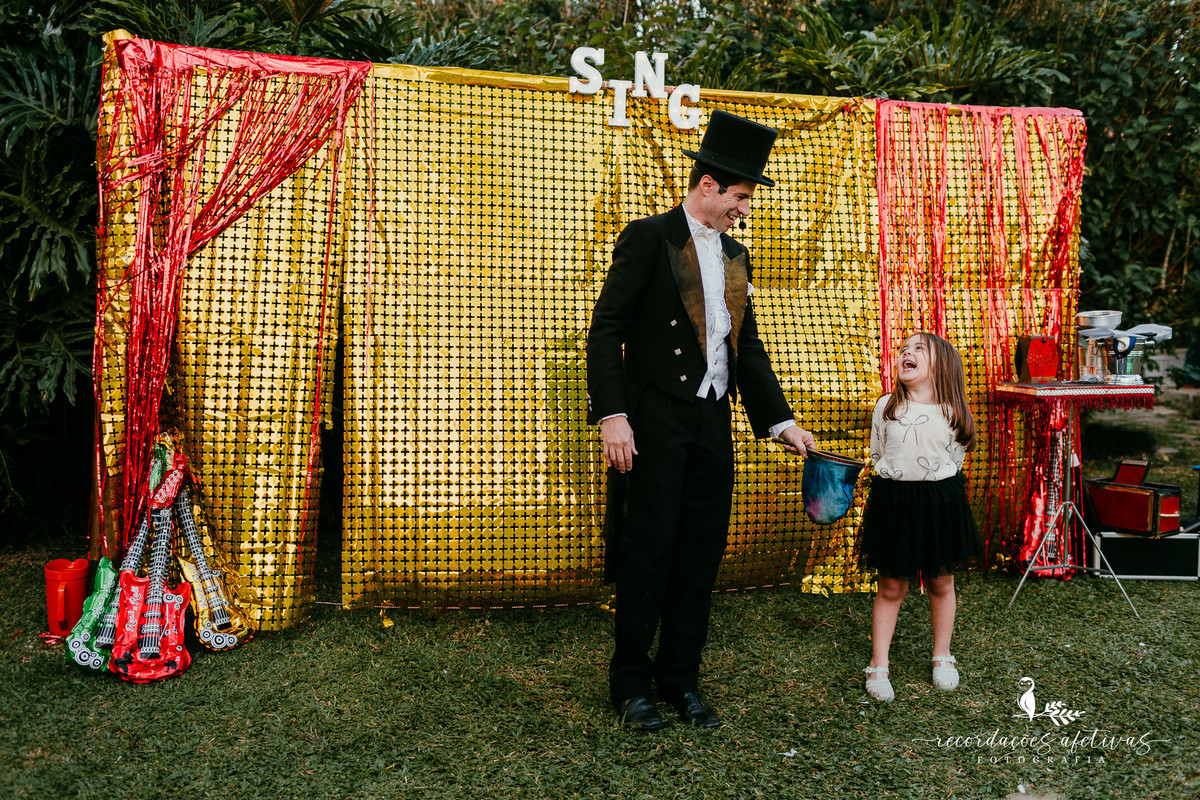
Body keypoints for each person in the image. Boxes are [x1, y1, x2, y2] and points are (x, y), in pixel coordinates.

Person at [586, 110, 816, 731]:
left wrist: (781, 422)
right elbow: (606, 330)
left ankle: (680, 680)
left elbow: (746, 348)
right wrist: (614, 415)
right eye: (741, 195)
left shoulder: (736, 254)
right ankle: (631, 683)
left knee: (699, 554)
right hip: (654, 418)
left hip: (713, 421)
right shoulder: (648, 236)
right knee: (648, 551)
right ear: (709, 186)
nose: (745, 207)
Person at [858, 332, 981, 702]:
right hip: (894, 503)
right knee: (892, 586)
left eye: (918, 350)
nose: (906, 353)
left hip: (941, 502)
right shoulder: (887, 406)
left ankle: (942, 656)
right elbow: (878, 451)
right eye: (903, 350)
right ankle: (879, 664)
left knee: (942, 581)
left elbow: (956, 459)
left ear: (941, 366)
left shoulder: (954, 412)